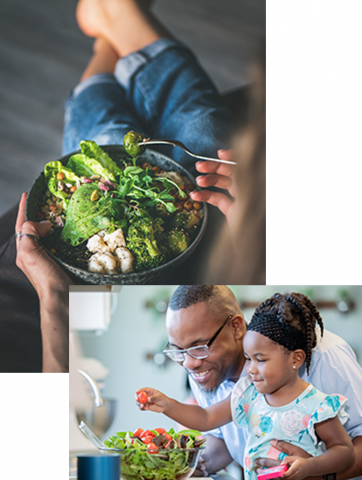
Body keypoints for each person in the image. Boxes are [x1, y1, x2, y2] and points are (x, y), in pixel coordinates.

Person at [159, 286, 362, 480]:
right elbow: (216, 430)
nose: (189, 364)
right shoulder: (206, 370)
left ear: (236, 327)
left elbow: (349, 445)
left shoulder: (325, 358)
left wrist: (313, 473)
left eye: (199, 346)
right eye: (179, 351)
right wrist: (194, 464)